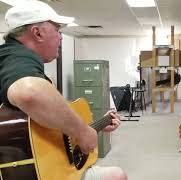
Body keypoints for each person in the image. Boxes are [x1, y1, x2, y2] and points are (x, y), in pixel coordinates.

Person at [0, 1, 127, 180]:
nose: (61, 37)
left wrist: (93, 127)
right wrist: (83, 132)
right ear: (37, 33)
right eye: (57, 30)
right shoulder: (18, 56)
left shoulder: (12, 57)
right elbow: (29, 92)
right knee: (117, 175)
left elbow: (42, 125)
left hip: (28, 164)